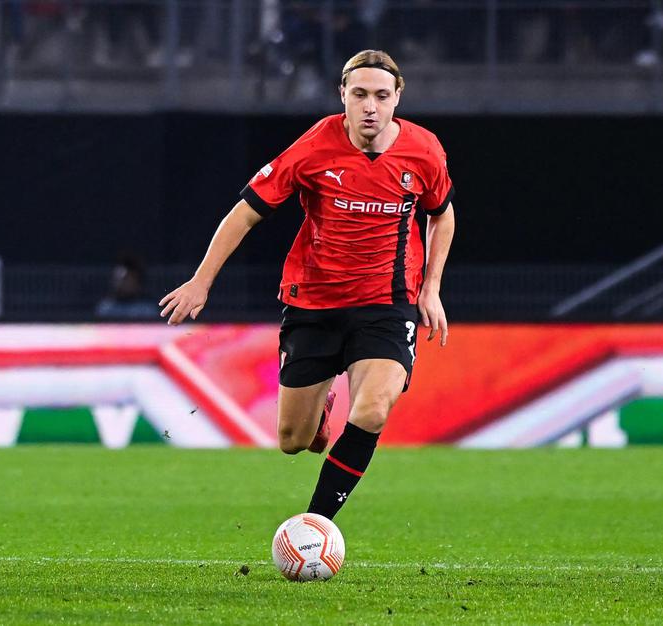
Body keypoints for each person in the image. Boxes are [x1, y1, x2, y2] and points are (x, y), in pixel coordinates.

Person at [159, 49, 455, 520]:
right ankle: (318, 414)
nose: (370, 106)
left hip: (387, 303)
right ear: (343, 96)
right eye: (359, 94)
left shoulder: (424, 150)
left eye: (381, 95)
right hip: (314, 303)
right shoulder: (316, 145)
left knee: (375, 407)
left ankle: (315, 524)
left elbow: (441, 215)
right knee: (293, 441)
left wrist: (431, 287)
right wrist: (201, 281)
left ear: (398, 97)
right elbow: (247, 211)